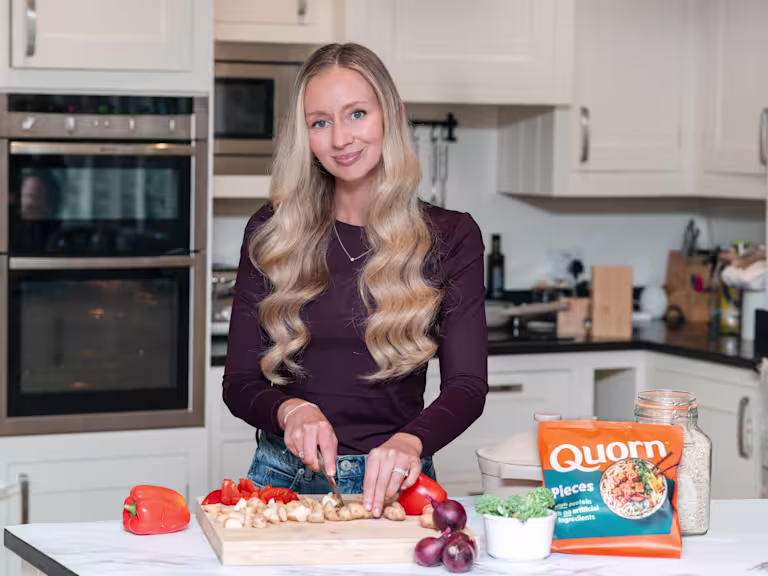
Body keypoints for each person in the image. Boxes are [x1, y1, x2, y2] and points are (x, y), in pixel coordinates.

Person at [223, 43, 488, 519]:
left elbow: (467, 386)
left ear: (392, 115)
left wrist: (411, 442)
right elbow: (239, 383)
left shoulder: (451, 236)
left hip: (400, 487)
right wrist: (290, 412)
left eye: (357, 114)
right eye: (320, 122)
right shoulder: (272, 231)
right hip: (281, 484)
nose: (340, 138)